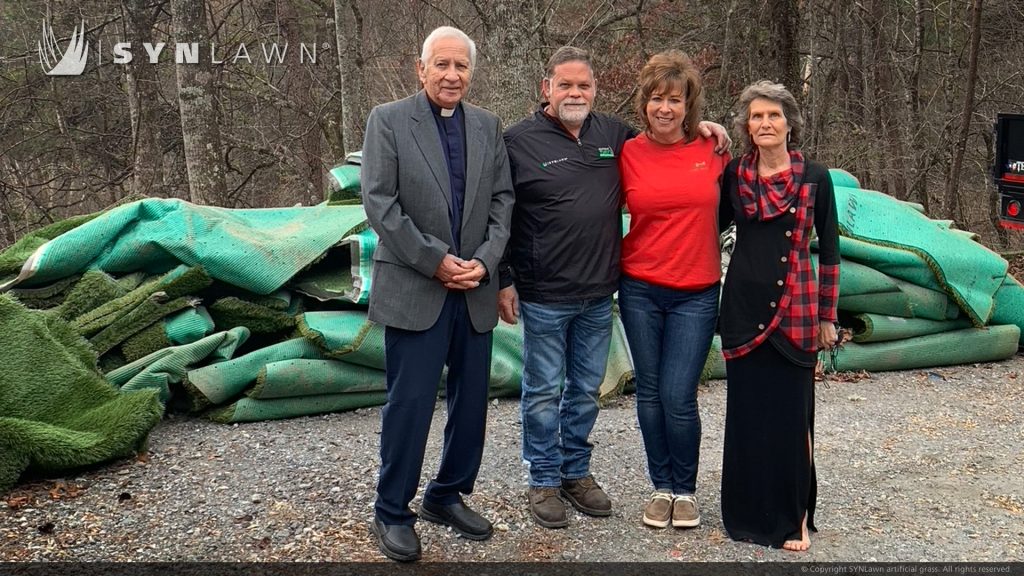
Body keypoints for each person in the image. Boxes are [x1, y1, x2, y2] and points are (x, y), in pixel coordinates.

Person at [498, 46, 729, 529]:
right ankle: (543, 479)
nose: (574, 93)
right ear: (547, 88)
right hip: (543, 292)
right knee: (542, 390)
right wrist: (504, 280)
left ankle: (575, 473)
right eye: (565, 84)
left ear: (596, 90)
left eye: (583, 85)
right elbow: (499, 213)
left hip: (600, 290)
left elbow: (672, 140)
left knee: (585, 390)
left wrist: (712, 128)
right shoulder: (517, 141)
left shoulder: (613, 136)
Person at [361, 26, 514, 562]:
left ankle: (446, 495)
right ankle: (392, 510)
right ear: (420, 68)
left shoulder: (487, 125)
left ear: (472, 73)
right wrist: (434, 261)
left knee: (472, 404)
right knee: (410, 404)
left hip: (473, 287)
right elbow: (380, 204)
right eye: (442, 65)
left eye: (462, 67)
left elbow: (502, 200)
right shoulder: (387, 120)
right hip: (415, 287)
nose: (452, 75)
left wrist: (485, 262)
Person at [718, 80, 839, 552]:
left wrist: (827, 317)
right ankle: (747, 513)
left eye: (773, 115)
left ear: (789, 122)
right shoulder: (733, 175)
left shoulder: (815, 177)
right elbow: (707, 230)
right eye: (756, 116)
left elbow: (828, 251)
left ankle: (796, 518)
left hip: (798, 309)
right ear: (746, 126)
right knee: (747, 416)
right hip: (743, 310)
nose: (764, 124)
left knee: (793, 418)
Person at [616, 49, 729, 530]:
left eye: (675, 100)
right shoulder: (627, 153)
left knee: (679, 395)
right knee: (649, 393)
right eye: (656, 98)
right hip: (640, 287)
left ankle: (685, 490)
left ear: (690, 107)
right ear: (644, 103)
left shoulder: (714, 150)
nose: (665, 108)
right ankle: (660, 486)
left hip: (696, 292)